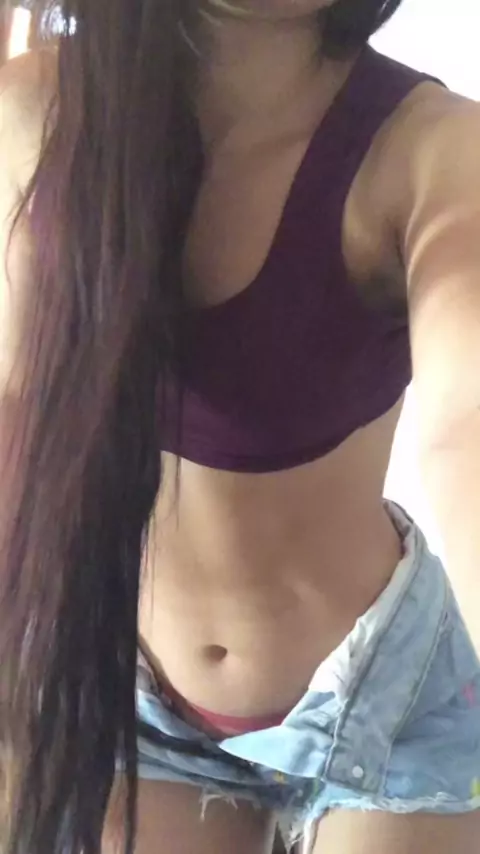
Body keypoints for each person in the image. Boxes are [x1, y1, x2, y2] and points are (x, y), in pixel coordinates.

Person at [1, 0, 480, 852]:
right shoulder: (38, 116)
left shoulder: (433, 148)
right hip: (139, 697)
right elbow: (12, 412)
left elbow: (467, 429)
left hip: (385, 700)